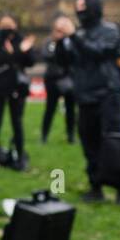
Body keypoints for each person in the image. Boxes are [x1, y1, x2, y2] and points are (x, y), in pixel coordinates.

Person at [59, 0, 120, 204]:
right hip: (85, 96)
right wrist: (61, 41)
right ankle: (95, 187)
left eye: (83, 8)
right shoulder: (77, 35)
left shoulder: (110, 31)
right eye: (77, 8)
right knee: (89, 143)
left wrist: (73, 37)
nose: (80, 12)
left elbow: (99, 52)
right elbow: (65, 61)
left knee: (114, 142)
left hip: (107, 94)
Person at [0, 15, 35, 171]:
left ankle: (19, 154)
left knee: (17, 123)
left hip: (17, 87)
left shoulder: (21, 41)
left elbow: (30, 61)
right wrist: (11, 54)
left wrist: (19, 51)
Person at [41, 15, 76, 144]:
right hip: (53, 80)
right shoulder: (49, 42)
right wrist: (57, 43)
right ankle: (44, 135)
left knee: (71, 109)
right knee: (50, 108)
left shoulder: (71, 42)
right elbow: (47, 56)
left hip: (68, 78)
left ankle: (71, 135)